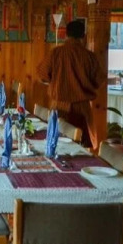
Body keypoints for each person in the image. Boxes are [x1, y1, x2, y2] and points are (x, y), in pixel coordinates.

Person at [37, 20, 103, 149]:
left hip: (59, 106)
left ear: (66, 35)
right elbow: (99, 80)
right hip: (82, 108)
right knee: (83, 147)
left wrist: (55, 81)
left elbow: (42, 75)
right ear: (83, 36)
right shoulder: (90, 57)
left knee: (55, 144)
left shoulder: (55, 53)